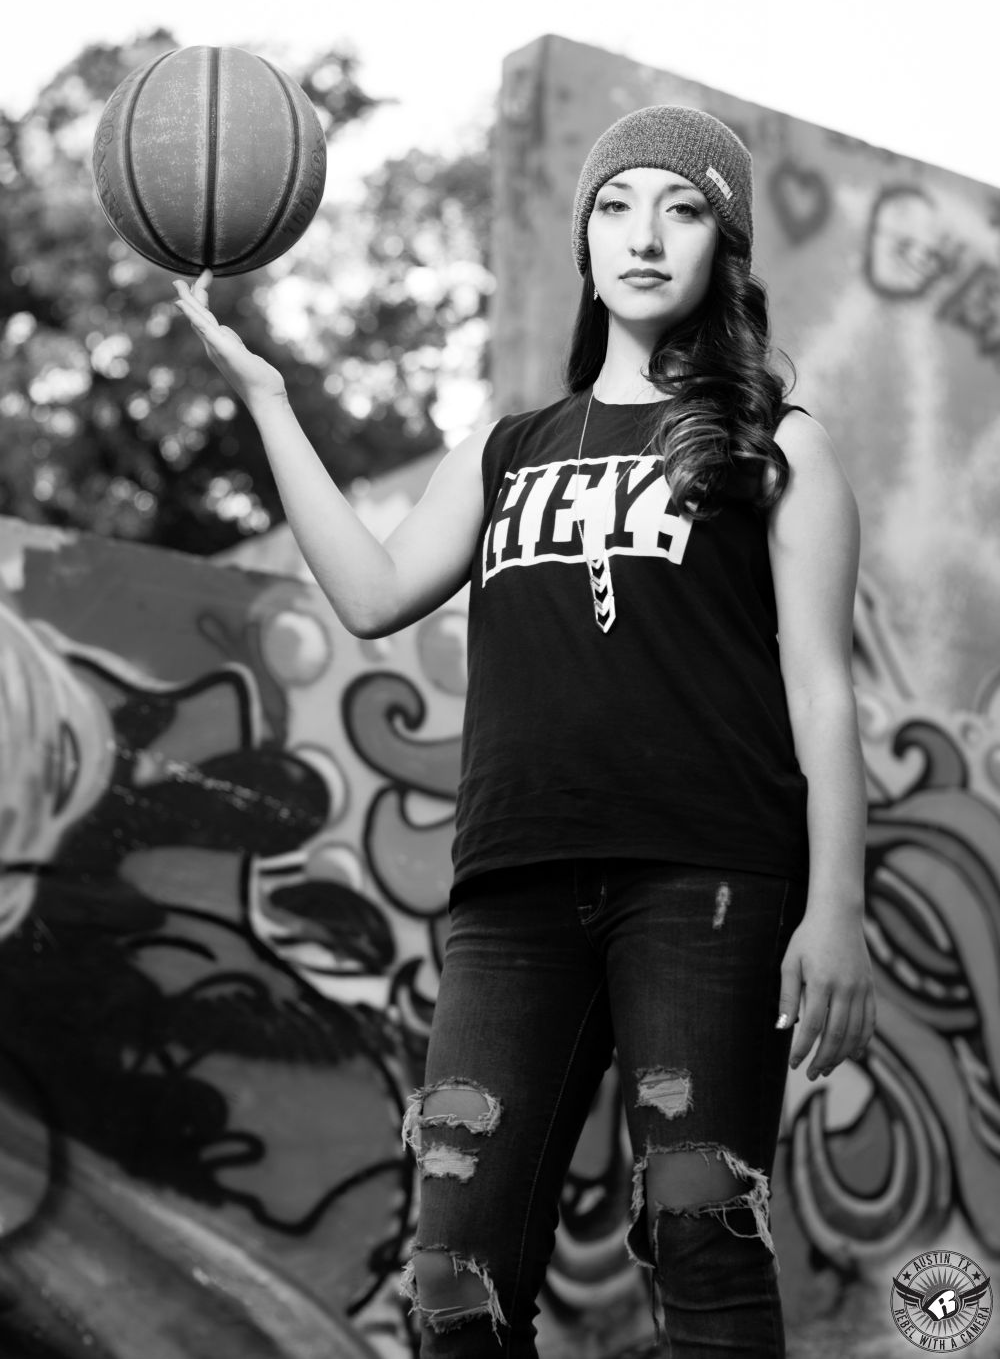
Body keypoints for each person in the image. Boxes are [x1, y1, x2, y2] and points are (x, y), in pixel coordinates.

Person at [173, 104, 876, 1358]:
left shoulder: (779, 447)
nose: (644, 236)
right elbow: (373, 594)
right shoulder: (502, 451)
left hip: (706, 883)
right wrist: (271, 404)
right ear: (585, 240)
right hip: (510, 898)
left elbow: (823, 690)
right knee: (451, 1276)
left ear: (726, 247)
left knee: (698, 1227)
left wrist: (838, 908)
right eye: (615, 206)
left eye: (683, 208)